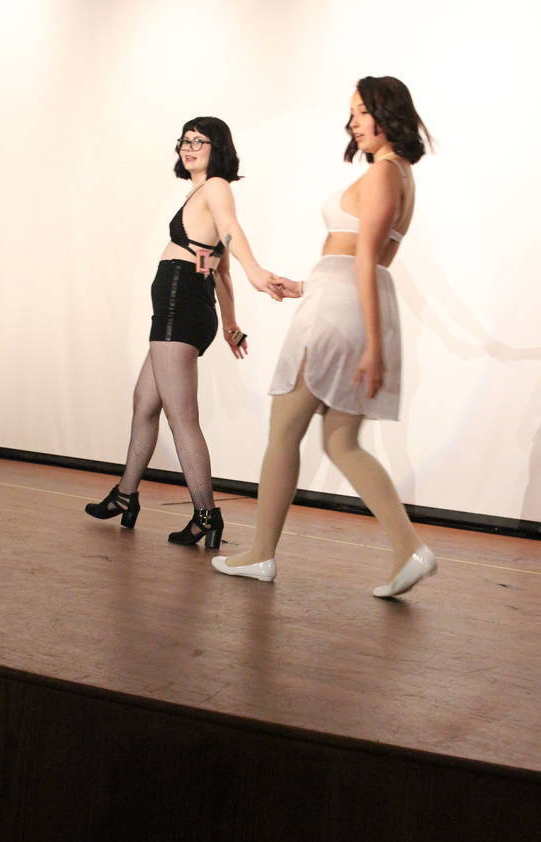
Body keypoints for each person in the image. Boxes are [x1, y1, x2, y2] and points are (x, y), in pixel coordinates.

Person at [212, 77, 437, 598]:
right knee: (341, 440)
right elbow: (360, 258)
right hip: (343, 301)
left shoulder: (384, 173)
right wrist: (304, 285)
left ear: (387, 113)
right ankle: (409, 549)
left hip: (338, 313)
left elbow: (365, 258)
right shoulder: (398, 173)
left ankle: (260, 554)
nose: (352, 122)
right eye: (351, 113)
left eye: (361, 111)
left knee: (283, 430)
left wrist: (374, 347)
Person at [85, 116, 281, 546]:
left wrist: (255, 270)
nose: (189, 148)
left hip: (179, 304)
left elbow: (231, 232)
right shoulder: (200, 194)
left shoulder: (216, 187)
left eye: (199, 141)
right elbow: (216, 265)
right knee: (144, 404)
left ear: (217, 148)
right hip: (186, 304)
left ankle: (206, 515)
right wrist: (230, 324)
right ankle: (125, 495)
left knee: (181, 417)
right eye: (185, 140)